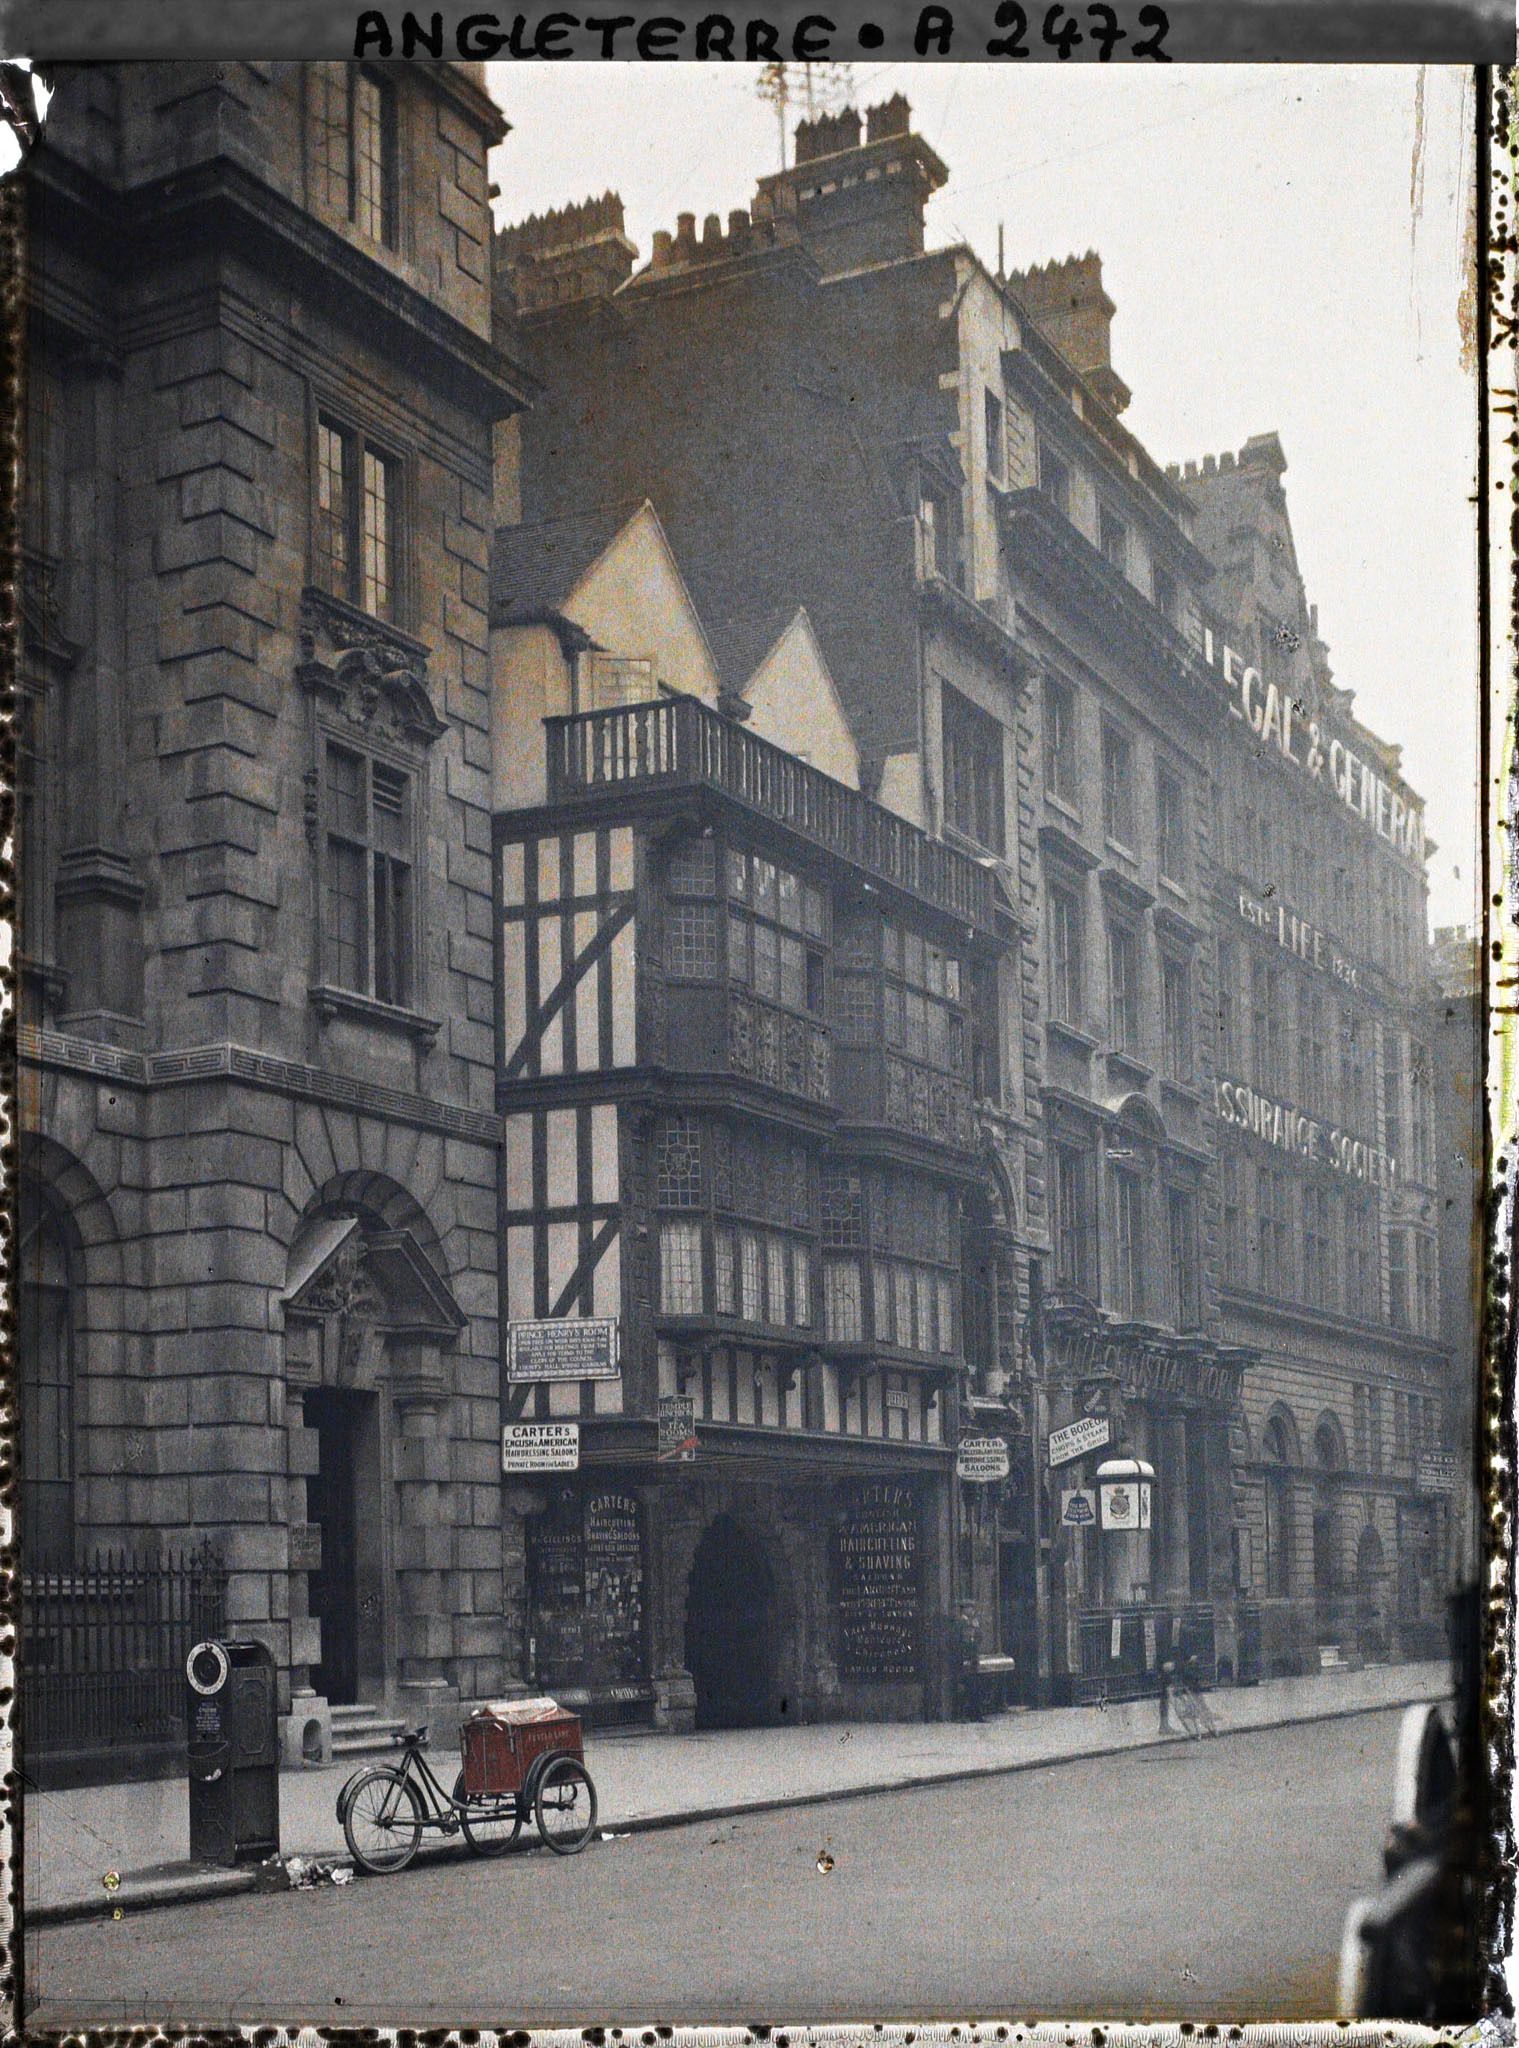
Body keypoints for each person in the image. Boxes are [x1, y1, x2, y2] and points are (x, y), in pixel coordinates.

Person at [953, 1601, 983, 1722]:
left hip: (972, 1659)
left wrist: (977, 1628)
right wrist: (964, 1658)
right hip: (964, 1660)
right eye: (970, 1608)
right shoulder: (960, 1623)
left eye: (972, 1608)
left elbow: (978, 1640)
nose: (972, 1610)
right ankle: (962, 1716)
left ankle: (975, 1715)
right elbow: (959, 1642)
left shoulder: (972, 1623)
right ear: (964, 1609)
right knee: (964, 1688)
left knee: (974, 1687)